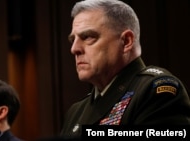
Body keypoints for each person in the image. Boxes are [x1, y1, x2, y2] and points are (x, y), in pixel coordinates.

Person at [60, 0, 190, 138]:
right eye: (72, 40)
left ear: (126, 41)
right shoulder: (76, 112)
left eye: (87, 37)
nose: (74, 49)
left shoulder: (156, 90)